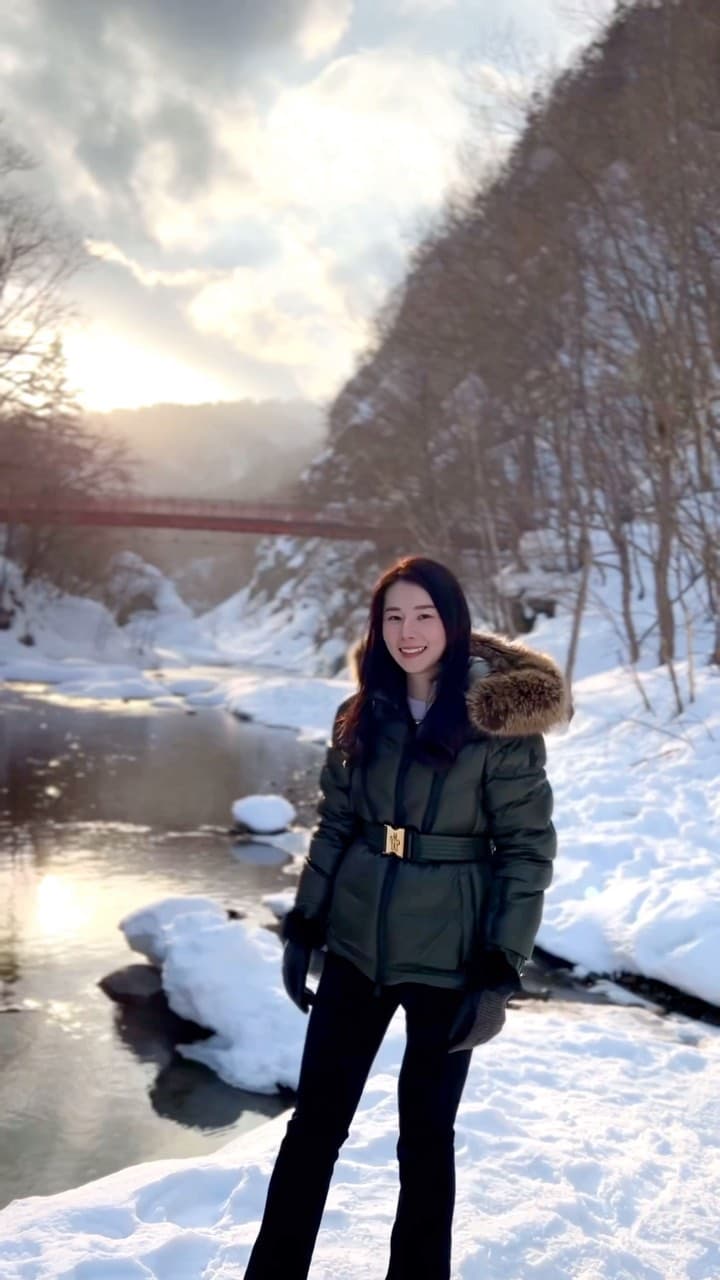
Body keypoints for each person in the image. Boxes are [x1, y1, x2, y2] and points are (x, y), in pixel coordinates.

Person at [244, 556, 570, 1280]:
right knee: (313, 1129)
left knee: (425, 1140)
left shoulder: (497, 725)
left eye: (423, 614)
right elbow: (337, 823)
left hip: (451, 957)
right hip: (357, 945)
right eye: (392, 616)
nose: (407, 631)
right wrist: (306, 923)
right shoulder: (364, 710)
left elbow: (525, 850)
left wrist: (500, 968)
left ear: (452, 623)